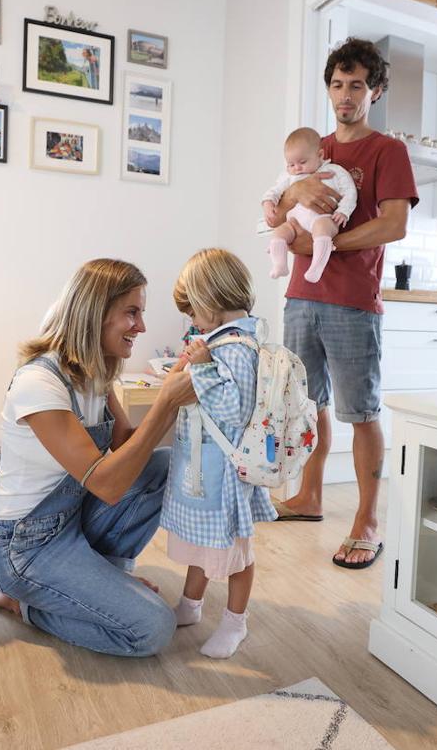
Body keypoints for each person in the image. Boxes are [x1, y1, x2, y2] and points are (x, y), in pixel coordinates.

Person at [0, 259, 198, 656]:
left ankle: (106, 579)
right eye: (132, 312)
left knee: (161, 466)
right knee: (152, 629)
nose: (141, 327)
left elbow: (130, 445)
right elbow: (108, 485)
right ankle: (21, 602)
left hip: (72, 522)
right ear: (95, 312)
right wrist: (165, 403)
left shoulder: (96, 374)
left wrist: (176, 383)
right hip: (24, 547)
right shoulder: (39, 383)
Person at [268, 37, 418, 570]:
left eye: (357, 85)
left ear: (374, 90)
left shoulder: (387, 151)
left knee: (361, 413)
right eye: (337, 84)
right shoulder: (315, 148)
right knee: (310, 405)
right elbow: (277, 203)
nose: (345, 94)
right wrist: (295, 198)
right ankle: (309, 497)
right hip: (301, 297)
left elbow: (394, 224)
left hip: (354, 301)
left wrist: (319, 244)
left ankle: (367, 520)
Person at [161, 249, 278, 659]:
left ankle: (235, 621)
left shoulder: (238, 347)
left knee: (234, 554)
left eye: (193, 309)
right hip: (206, 467)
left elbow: (234, 409)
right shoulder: (218, 342)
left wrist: (206, 366)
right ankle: (190, 606)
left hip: (226, 474)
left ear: (213, 299)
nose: (191, 318)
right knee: (202, 545)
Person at [261, 127, 358, 283]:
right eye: (291, 164)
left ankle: (316, 268)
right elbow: (274, 191)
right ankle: (280, 265)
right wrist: (268, 203)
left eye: (302, 162)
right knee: (279, 233)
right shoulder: (289, 176)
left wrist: (344, 211)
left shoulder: (334, 171)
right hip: (294, 222)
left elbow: (350, 192)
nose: (297, 168)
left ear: (319, 155)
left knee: (322, 230)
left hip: (323, 217)